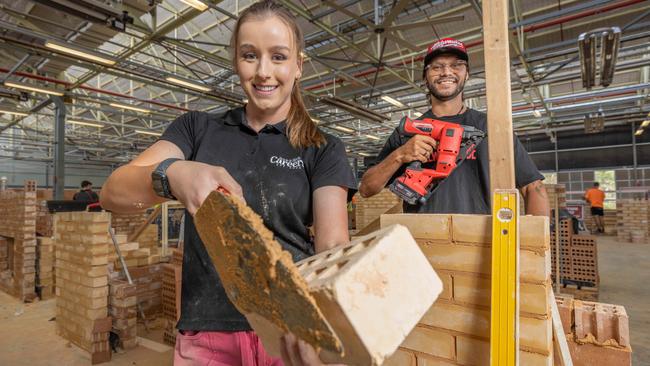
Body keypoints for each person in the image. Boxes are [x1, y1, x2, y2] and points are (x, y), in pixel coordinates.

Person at [100, 1, 356, 365]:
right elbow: (113, 192)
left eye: (278, 57)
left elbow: (332, 245)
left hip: (287, 332)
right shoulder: (196, 129)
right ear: (236, 61)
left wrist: (329, 325)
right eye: (250, 56)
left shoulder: (322, 147)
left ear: (298, 65)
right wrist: (172, 173)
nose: (264, 72)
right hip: (208, 333)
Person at [359, 38, 548, 216]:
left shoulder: (492, 128)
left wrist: (536, 246)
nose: (446, 72)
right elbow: (366, 189)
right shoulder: (408, 131)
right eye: (437, 67)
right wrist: (400, 155)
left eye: (456, 65)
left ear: (467, 74)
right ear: (425, 76)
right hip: (421, 244)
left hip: (483, 244)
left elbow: (533, 188)